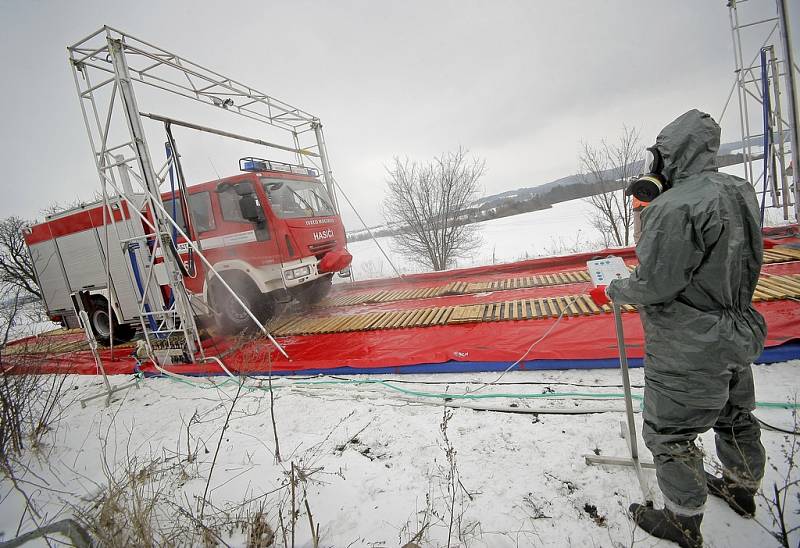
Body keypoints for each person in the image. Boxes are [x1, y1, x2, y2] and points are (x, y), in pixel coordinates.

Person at [589, 109, 767, 548]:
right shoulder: (738, 190)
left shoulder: (673, 207)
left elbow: (657, 283)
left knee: (670, 434)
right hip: (737, 329)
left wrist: (614, 288)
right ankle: (742, 489)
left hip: (688, 344)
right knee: (735, 415)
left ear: (667, 155)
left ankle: (683, 521)